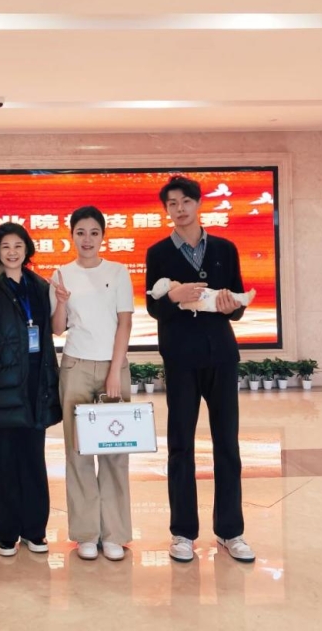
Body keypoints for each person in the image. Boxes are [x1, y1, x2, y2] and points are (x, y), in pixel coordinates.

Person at [145, 175, 255, 564]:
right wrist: (173, 297)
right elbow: (153, 307)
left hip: (221, 355)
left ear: (198, 204)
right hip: (180, 359)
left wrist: (231, 306)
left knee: (227, 444)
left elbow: (238, 305)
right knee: (180, 446)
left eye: (185, 201)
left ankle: (230, 531)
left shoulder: (225, 248)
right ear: (167, 210)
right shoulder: (158, 253)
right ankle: (183, 533)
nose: (179, 209)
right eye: (172, 204)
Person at [0, 222, 62, 557]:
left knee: (33, 460)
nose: (12, 252)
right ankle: (5, 533)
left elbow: (51, 331)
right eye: (5, 246)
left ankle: (34, 531)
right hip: (0, 386)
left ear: (27, 249)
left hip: (35, 384)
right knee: (3, 461)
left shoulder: (39, 286)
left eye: (18, 246)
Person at [49, 205, 134, 561]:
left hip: (113, 367)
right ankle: (86, 533)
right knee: (78, 452)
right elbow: (57, 328)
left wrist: (114, 371)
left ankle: (114, 533)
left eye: (94, 233)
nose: (87, 239)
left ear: (103, 236)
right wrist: (61, 303)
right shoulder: (61, 274)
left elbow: (124, 323)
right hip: (75, 367)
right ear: (71, 236)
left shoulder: (118, 271)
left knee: (115, 451)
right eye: (80, 232)